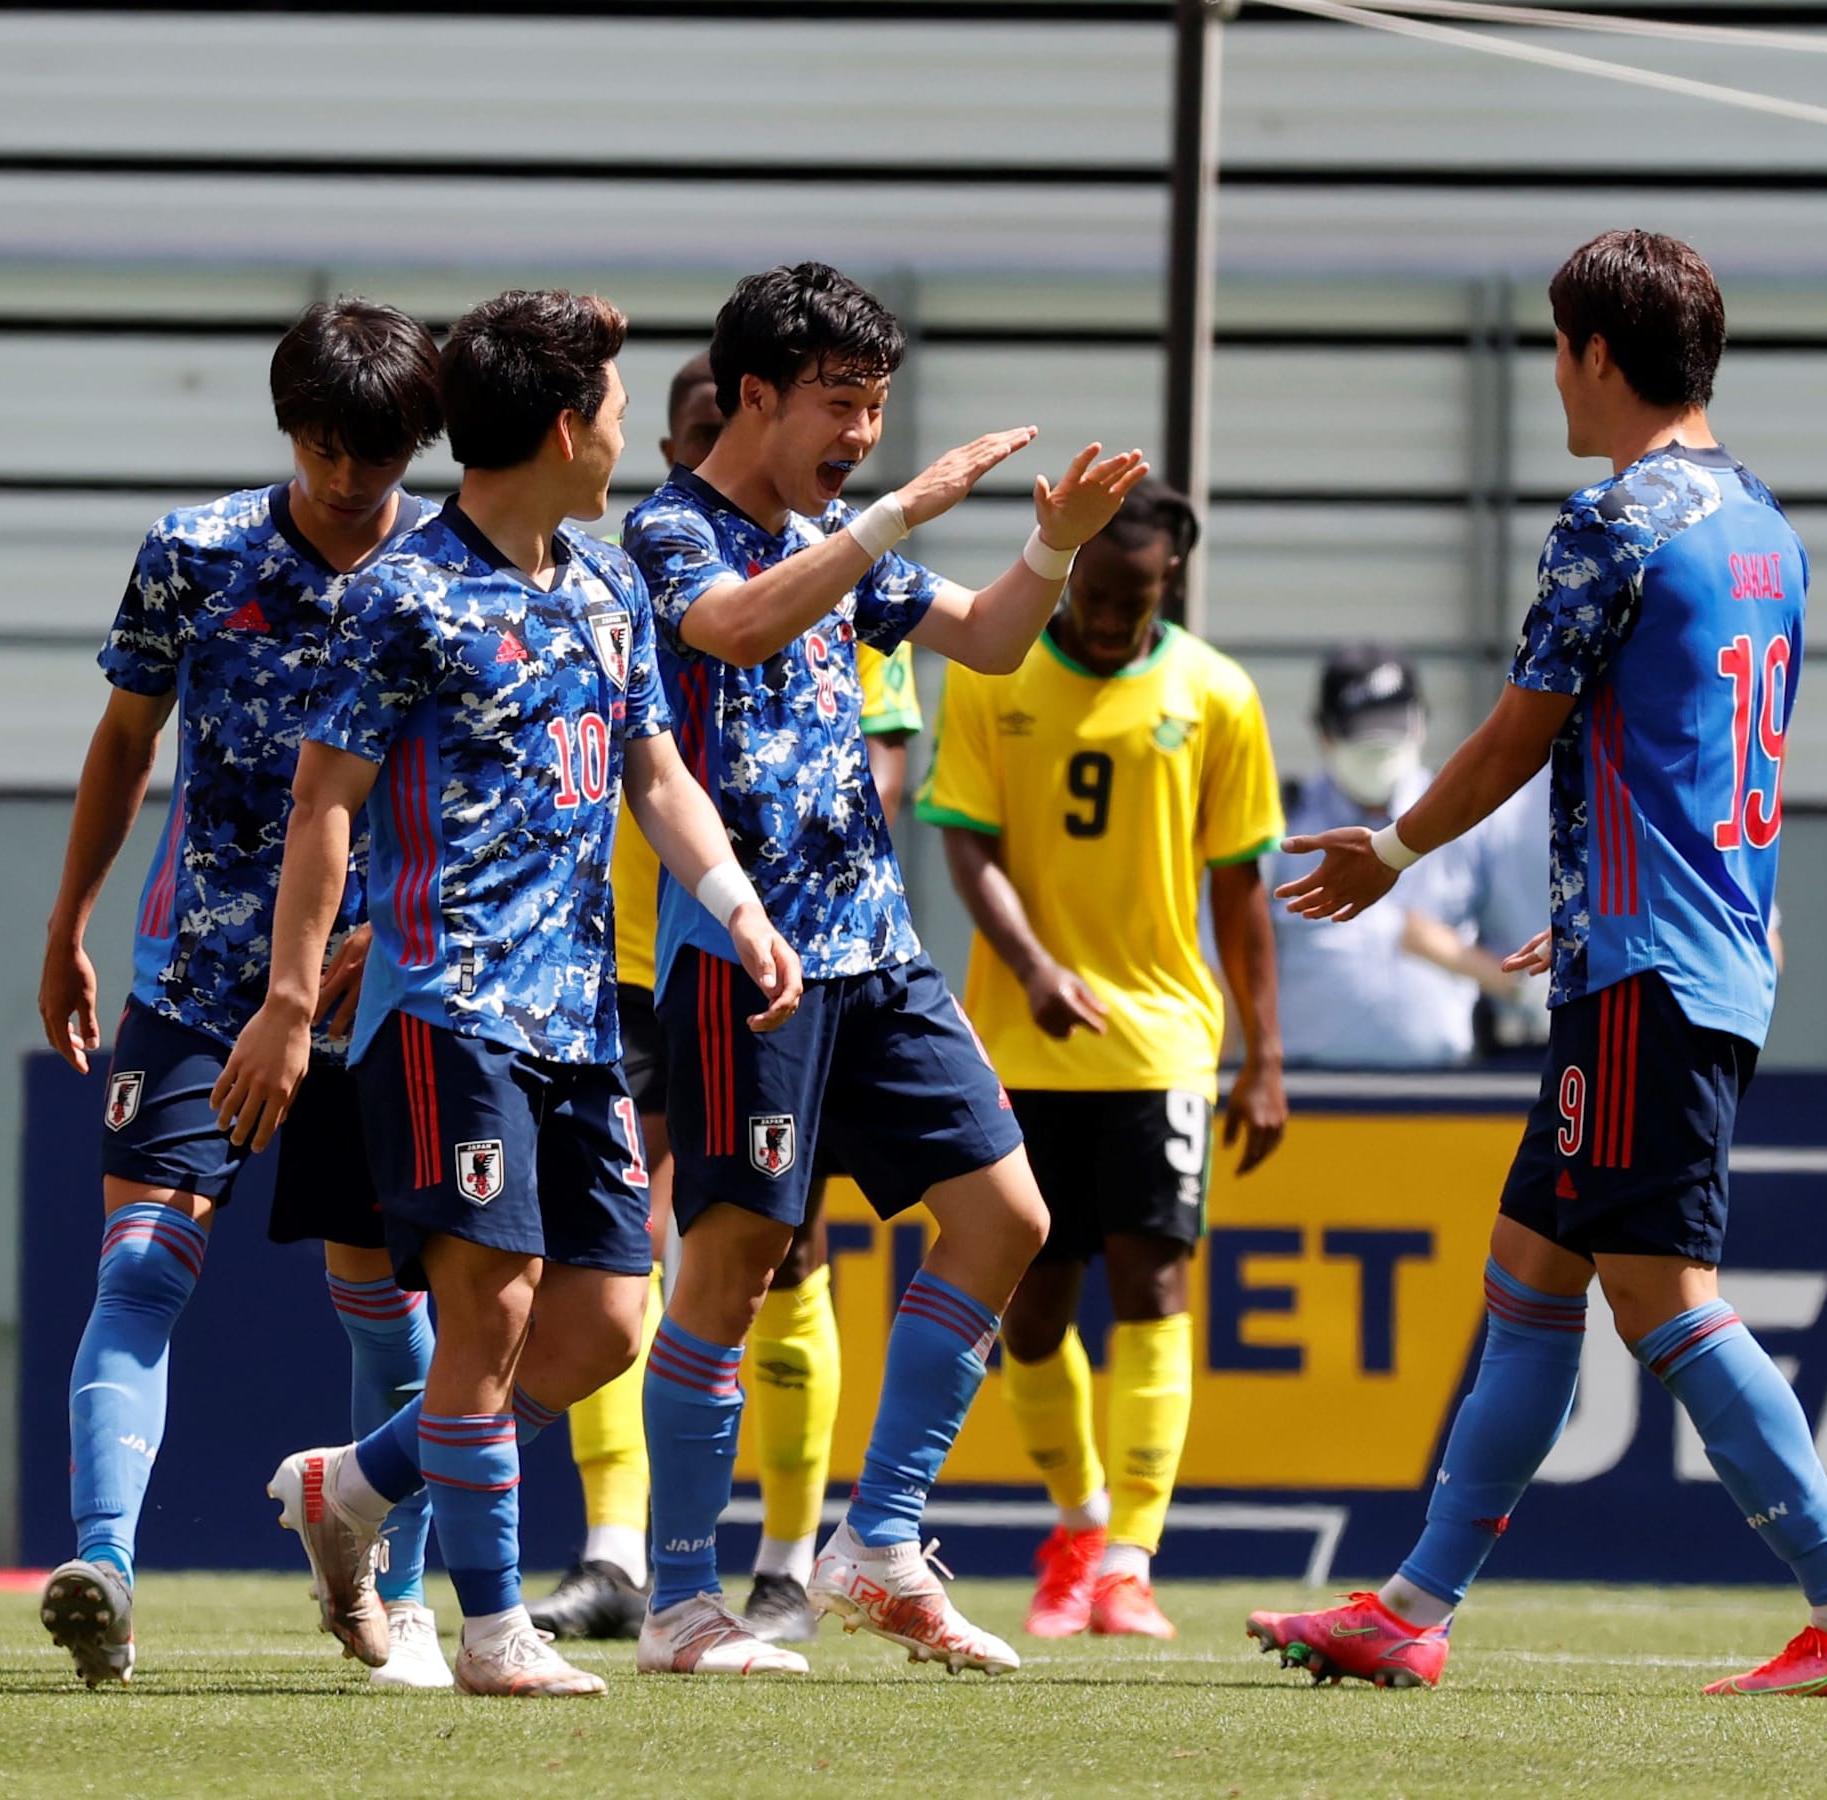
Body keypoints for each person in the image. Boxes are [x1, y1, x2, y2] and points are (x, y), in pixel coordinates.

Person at [1245, 229, 1827, 1699]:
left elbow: (1512, 734)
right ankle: (1413, 1608)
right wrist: (1608, 888)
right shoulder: (1767, 529)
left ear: (1595, 354)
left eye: (1558, 347)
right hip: (1673, 947)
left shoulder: (1618, 517)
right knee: (1530, 1278)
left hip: (1652, 975)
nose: (1556, 374)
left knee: (1661, 1297)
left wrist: (1392, 850)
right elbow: (1714, 754)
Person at [223, 289, 803, 1698]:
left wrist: (738, 911)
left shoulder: (607, 588)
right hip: (446, 1011)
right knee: (491, 1307)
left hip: (580, 1027)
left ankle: (352, 1485)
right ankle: (492, 1629)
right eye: (614, 409)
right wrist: (294, 1005)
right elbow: (323, 809)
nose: (634, 433)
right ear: (567, 427)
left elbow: (658, 777)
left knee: (607, 1323)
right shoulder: (403, 597)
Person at [622, 260, 1144, 1676]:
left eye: (876, 407)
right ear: (748, 398)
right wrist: (900, 513)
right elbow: (731, 627)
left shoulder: (837, 535)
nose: (861, 434)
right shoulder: (668, 531)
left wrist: (1052, 552)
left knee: (1006, 1220)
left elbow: (983, 638)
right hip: (747, 956)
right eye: (838, 404)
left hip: (879, 950)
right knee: (732, 1266)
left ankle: (880, 1540)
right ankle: (679, 1598)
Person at [30, 299, 449, 1691]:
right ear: (290, 426)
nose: (348, 477)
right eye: (328, 445)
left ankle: (385, 1582)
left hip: (381, 997)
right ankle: (103, 1565)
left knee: (389, 1309)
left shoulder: (455, 569)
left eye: (378, 452)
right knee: (142, 1269)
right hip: (200, 979)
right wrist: (69, 917)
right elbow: (124, 742)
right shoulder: (196, 555)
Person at [541, 352, 908, 1645]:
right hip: (621, 955)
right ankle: (615, 1552)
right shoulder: (643, 566)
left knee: (776, 1248)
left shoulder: (832, 567)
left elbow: (887, 759)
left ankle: (787, 1558)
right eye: (686, 436)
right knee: (621, 1246)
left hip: (778, 951)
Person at [917, 476, 1287, 1638]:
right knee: (1028, 1312)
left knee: (1155, 1283)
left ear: (1169, 580)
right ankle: (1076, 1522)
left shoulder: (1217, 695)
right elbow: (965, 846)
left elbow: (1239, 893)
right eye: (1107, 588)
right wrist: (1030, 966)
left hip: (1162, 1040)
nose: (1122, 612)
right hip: (1022, 1038)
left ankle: (1127, 1555)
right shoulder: (998, 673)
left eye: (1146, 592)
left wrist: (1264, 1054)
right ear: (1074, 568)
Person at [1270, 644, 1535, 1069]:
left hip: (1445, 1095)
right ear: (1324, 732)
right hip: (1306, 1093)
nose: (1380, 748)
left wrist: (1456, 956)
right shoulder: (1283, 825)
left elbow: (1518, 956)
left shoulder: (1475, 824)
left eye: (1392, 727)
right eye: (1364, 731)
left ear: (1422, 725)